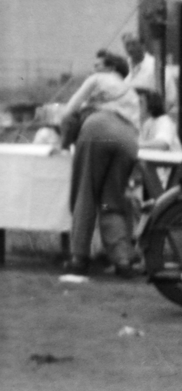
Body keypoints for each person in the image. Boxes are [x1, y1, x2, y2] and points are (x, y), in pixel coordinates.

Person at [58, 51, 142, 275]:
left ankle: (79, 257)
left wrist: (64, 142)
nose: (94, 69)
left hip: (99, 130)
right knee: (111, 200)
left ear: (111, 67)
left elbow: (68, 113)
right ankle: (122, 260)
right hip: (129, 140)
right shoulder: (131, 91)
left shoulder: (97, 80)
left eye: (98, 65)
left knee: (86, 194)